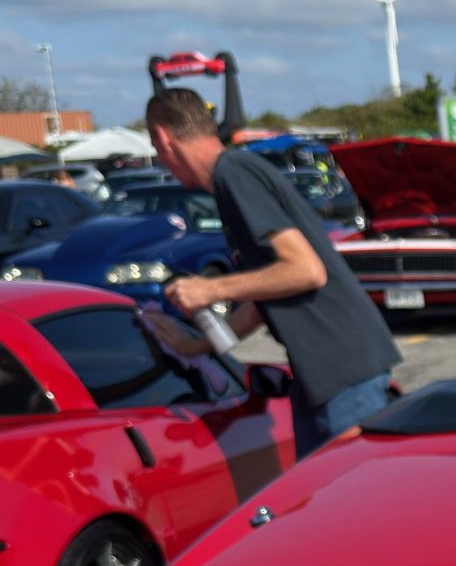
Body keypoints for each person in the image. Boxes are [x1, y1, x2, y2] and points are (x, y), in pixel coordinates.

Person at [142, 88, 401, 459]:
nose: (160, 160)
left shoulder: (233, 173)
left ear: (163, 137)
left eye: (155, 148)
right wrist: (198, 347)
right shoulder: (234, 175)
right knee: (313, 491)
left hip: (344, 374)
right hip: (320, 378)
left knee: (351, 491)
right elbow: (263, 299)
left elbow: (306, 270)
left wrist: (209, 290)